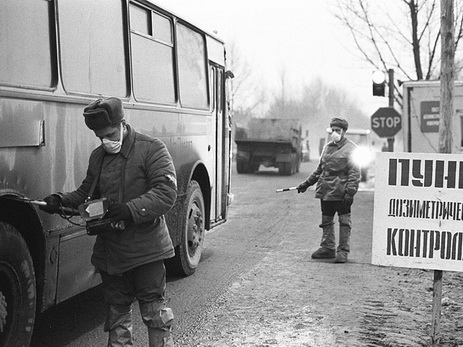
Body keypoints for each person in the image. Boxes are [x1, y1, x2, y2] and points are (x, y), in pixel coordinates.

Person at [40, 97, 177, 346]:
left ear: (122, 123)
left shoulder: (151, 148)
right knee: (117, 318)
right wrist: (59, 201)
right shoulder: (98, 157)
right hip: (111, 253)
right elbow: (85, 193)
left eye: (110, 134)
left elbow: (166, 193)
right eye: (100, 136)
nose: (106, 141)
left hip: (146, 249)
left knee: (155, 314)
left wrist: (129, 210)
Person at [297, 117, 360, 263]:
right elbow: (320, 170)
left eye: (338, 130)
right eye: (333, 130)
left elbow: (354, 172)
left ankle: (343, 251)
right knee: (326, 220)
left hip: (341, 191)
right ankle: (328, 248)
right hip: (326, 191)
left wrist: (350, 192)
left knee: (344, 222)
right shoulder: (327, 147)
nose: (335, 133)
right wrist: (306, 184)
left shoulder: (352, 149)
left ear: (344, 131)